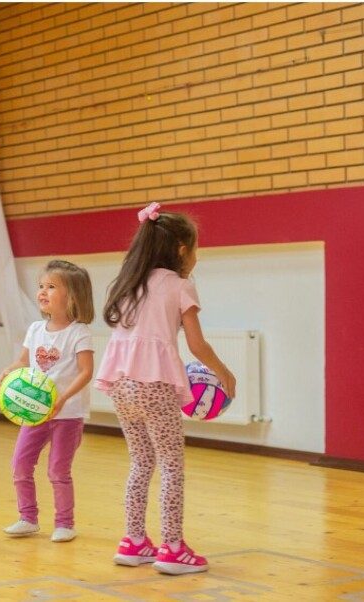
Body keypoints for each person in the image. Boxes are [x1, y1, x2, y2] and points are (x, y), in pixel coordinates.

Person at [95, 202, 236, 575]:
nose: (196, 257)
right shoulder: (180, 285)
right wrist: (223, 372)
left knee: (141, 461)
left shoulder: (128, 283)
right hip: (155, 386)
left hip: (121, 384)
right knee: (172, 464)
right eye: (196, 249)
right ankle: (173, 547)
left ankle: (133, 541)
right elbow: (197, 345)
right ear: (181, 250)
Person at [0, 260, 95, 543]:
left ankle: (65, 523)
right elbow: (23, 361)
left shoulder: (79, 332)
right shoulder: (36, 329)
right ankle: (27, 518)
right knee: (20, 465)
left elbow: (86, 372)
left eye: (51, 287)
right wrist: (8, 370)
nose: (42, 291)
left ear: (71, 296)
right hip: (36, 414)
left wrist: (63, 399)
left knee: (58, 471)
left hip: (68, 415)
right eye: (41, 286)